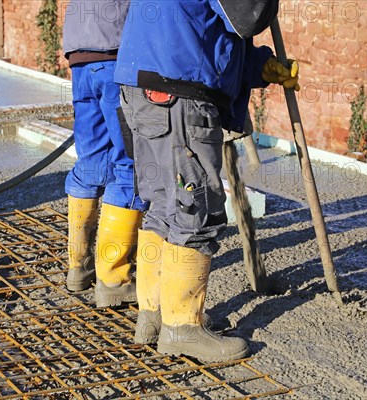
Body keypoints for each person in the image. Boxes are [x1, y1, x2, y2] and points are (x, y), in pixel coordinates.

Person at [115, 0, 299, 362]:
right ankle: (182, 328)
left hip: (143, 84)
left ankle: (154, 314)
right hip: (177, 92)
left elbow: (210, 30)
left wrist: (261, 67)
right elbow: (245, 15)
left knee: (163, 206)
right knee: (193, 209)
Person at [62, 0, 147, 307]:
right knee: (131, 166)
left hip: (80, 56)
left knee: (92, 163)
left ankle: (79, 267)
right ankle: (114, 279)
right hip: (115, 57)